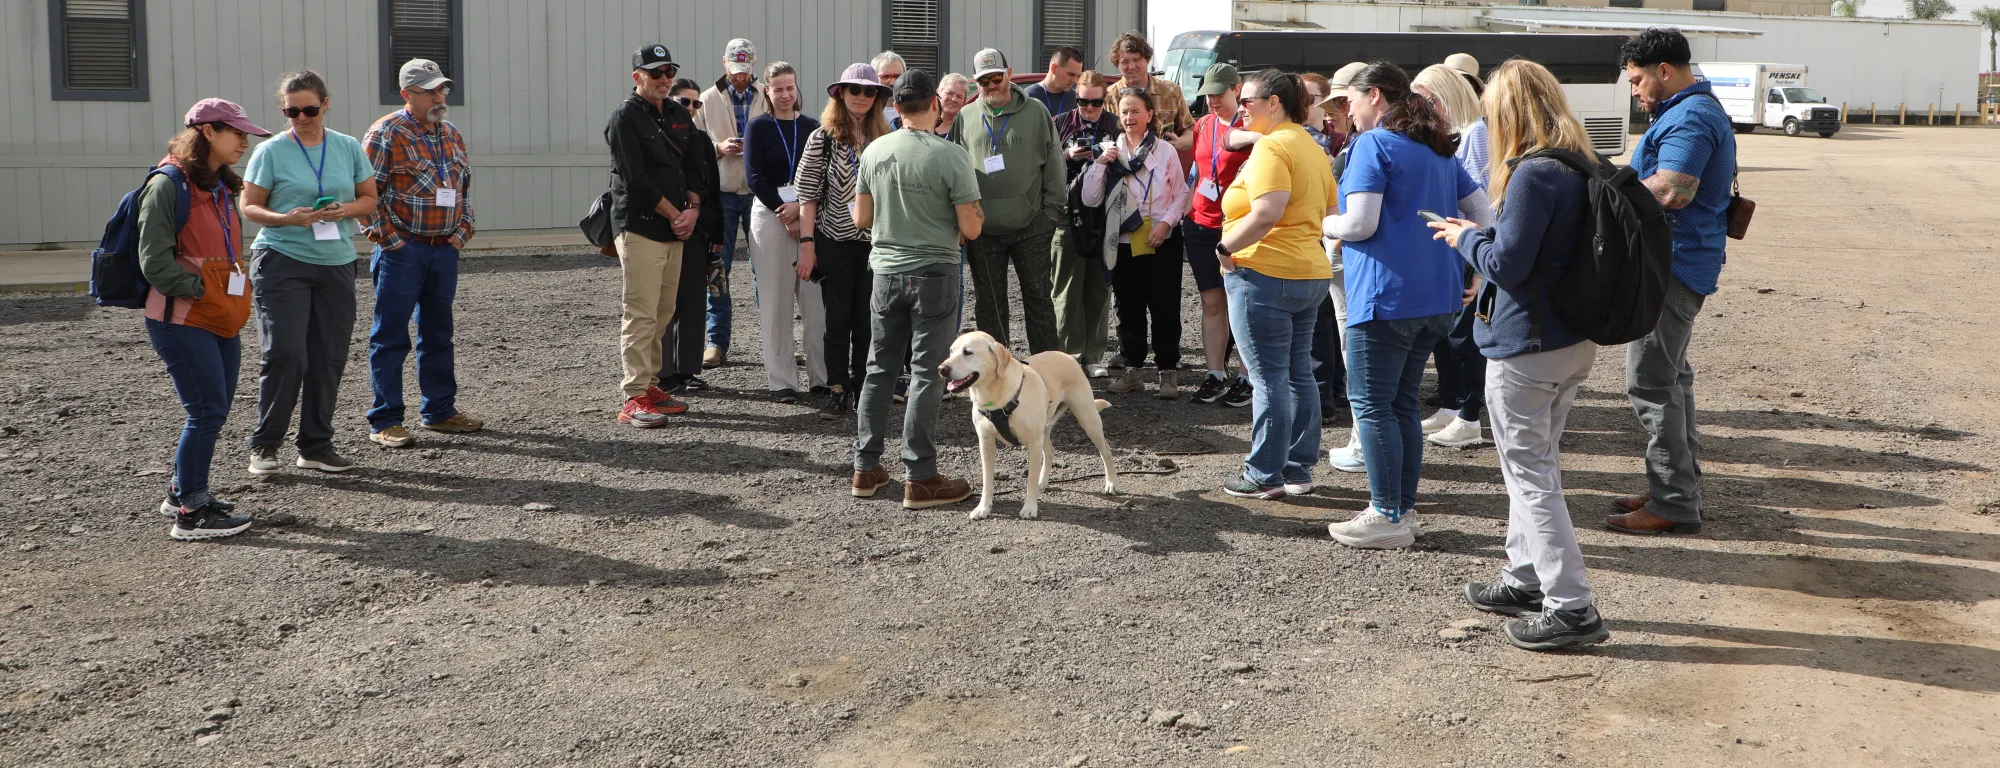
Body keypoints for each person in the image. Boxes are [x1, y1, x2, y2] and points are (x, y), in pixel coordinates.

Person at [1428, 59, 1609, 650]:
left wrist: (1465, 238)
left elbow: (1507, 264)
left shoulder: (1534, 173)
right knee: (1532, 465)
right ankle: (1524, 576)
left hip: (1529, 344)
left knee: (1532, 476)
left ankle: (1571, 605)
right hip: (1570, 339)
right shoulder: (1584, 163)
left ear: (1507, 113)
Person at [1321, 62, 1491, 548]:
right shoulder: (1436, 149)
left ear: (1374, 96)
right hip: (1435, 296)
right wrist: (1476, 265)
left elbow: (1360, 224)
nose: (1347, 111)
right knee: (1401, 405)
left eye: (1350, 100)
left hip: (1385, 296)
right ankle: (1402, 509)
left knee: (1374, 405)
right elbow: (1483, 212)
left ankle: (1387, 513)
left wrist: (1327, 225)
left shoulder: (1373, 144)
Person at [1609, 27, 1737, 536]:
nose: (1635, 90)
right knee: (1674, 380)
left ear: (1665, 71)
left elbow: (1672, 191)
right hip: (1679, 264)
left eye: (1638, 80)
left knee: (1650, 381)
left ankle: (1675, 501)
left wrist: (1606, 192)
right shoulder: (1689, 112)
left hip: (1671, 268)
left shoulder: (1689, 117)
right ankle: (1676, 486)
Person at [848, 68, 985, 510]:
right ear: (933, 105)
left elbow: (861, 219)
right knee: (928, 373)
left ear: (897, 106)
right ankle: (920, 474)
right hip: (934, 272)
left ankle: (865, 467)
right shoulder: (950, 156)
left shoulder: (874, 151)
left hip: (886, 272)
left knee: (878, 369)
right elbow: (971, 227)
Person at [240, 70, 379, 475]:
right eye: (291, 110)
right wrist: (285, 218)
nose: (301, 116)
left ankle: (315, 446)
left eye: (309, 109)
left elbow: (369, 198)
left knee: (328, 356)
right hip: (282, 259)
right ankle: (265, 445)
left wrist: (344, 209)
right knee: (285, 352)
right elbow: (249, 207)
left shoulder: (348, 147)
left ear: (325, 104)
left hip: (336, 262)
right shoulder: (270, 151)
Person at [1206, 71, 1336, 499]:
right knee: (1297, 374)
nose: (1240, 108)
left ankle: (1265, 474)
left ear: (1274, 103)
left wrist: (1226, 248)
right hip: (1308, 272)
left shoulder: (1274, 147)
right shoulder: (1312, 147)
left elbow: (1266, 212)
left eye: (1247, 101)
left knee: (1269, 379)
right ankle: (1296, 469)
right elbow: (1330, 211)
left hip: (1266, 273)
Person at [141, 99, 268, 539]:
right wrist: (202, 290)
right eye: (237, 132)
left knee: (213, 408)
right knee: (206, 410)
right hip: (182, 320)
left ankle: (181, 492)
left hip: (218, 318)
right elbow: (154, 262)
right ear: (208, 132)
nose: (245, 141)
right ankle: (191, 515)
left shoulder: (219, 186)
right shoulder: (168, 185)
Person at [361, 59, 482, 450]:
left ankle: (440, 411)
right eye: (430, 90)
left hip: (443, 250)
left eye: (441, 89)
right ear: (406, 94)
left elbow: (463, 190)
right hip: (403, 251)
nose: (439, 96)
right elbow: (366, 196)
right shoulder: (386, 133)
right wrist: (391, 241)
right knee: (391, 335)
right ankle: (386, 420)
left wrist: (461, 233)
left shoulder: (451, 134)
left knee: (438, 334)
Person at [604, 43, 699, 427]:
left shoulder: (678, 112)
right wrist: (678, 215)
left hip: (675, 225)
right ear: (637, 77)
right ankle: (633, 395)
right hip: (642, 225)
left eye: (668, 71)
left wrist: (693, 208)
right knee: (641, 312)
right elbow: (635, 180)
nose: (664, 79)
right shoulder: (624, 118)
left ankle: (650, 384)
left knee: (663, 311)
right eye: (655, 73)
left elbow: (696, 165)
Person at [795, 63, 893, 420]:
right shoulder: (822, 137)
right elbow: (807, 196)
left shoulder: (887, 137)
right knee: (836, 320)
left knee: (869, 320)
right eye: (856, 91)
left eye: (870, 92)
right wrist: (807, 245)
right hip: (833, 240)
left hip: (874, 243)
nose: (863, 98)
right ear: (841, 94)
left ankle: (865, 387)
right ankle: (837, 389)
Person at [953, 48, 1065, 354]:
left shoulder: (1036, 111)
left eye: (996, 77)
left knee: (1039, 300)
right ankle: (995, 376)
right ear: (976, 83)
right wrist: (963, 222)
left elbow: (1055, 161)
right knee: (989, 304)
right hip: (983, 230)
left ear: (1009, 74)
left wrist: (1051, 214)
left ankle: (1047, 372)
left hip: (1032, 226)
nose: (991, 85)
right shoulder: (965, 117)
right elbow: (956, 172)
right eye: (983, 80)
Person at [1083, 87, 1190, 400]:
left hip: (1161, 238)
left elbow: (1182, 193)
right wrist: (1101, 163)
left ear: (1149, 116)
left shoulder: (1164, 151)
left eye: (1135, 111)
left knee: (1164, 305)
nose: (1129, 117)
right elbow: (1090, 197)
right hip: (1123, 239)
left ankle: (1167, 373)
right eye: (1124, 111)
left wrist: (1166, 223)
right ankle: (1133, 371)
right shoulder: (1110, 150)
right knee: (1127, 307)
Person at [1413, 63, 1492, 451]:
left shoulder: (1473, 132)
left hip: (1468, 244)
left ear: (1440, 98)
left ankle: (1470, 416)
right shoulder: (1444, 136)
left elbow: (1482, 198)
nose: (1414, 105)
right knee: (1447, 334)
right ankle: (1451, 406)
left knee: (1465, 335)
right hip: (1452, 241)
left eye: (1421, 97)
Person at [744, 62, 826, 402]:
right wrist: (785, 211)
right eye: (778, 88)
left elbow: (823, 173)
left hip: (809, 214)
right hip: (771, 217)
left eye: (790, 87)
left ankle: (822, 377)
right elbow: (755, 177)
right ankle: (782, 381)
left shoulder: (813, 126)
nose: (785, 94)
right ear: (767, 91)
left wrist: (801, 210)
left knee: (816, 302)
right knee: (776, 301)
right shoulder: (758, 127)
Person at [1182, 63, 1258, 408]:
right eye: (1208, 95)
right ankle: (1215, 373)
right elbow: (1200, 171)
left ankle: (1247, 376)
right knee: (1212, 303)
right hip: (1201, 224)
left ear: (1236, 90)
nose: (1212, 101)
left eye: (1219, 94)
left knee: (1243, 303)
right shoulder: (1204, 124)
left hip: (1238, 227)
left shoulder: (1251, 129)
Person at [693, 38, 770, 370]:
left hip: (758, 193)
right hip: (723, 194)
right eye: (735, 71)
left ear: (753, 67)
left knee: (766, 269)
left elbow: (782, 137)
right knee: (718, 268)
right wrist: (717, 148)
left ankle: (773, 341)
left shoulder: (767, 95)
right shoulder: (707, 100)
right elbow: (693, 146)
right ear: (725, 65)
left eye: (745, 72)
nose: (740, 77)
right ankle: (716, 342)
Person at [1051, 70, 1120, 377]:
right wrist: (1068, 155)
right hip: (1069, 214)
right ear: (1074, 97)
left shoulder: (1116, 125)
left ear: (1105, 99)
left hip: (1105, 214)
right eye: (1083, 101)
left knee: (1099, 287)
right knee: (1066, 287)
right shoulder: (1060, 123)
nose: (1090, 108)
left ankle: (1093, 356)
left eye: (1096, 102)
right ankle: (1068, 356)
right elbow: (1047, 165)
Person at [662, 79, 726, 396]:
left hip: (698, 231)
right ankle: (663, 373)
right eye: (684, 102)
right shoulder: (656, 135)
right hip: (662, 230)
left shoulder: (701, 140)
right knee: (664, 304)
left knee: (693, 304)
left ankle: (686, 369)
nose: (690, 108)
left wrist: (717, 233)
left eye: (695, 103)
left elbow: (712, 189)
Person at [1108, 32, 1195, 151]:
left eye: (1136, 59)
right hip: (1122, 166)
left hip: (1163, 166)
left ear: (1147, 60)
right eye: (1125, 62)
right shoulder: (1108, 96)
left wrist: (1178, 142)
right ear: (1117, 64)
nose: (1132, 66)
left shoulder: (1171, 92)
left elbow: (1190, 131)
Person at [1026, 46, 1084, 118]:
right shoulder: (1028, 97)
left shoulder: (1077, 99)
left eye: (1077, 76)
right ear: (1054, 68)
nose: (1074, 80)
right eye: (1071, 74)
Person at [934, 73, 973, 141]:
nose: (953, 99)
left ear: (964, 102)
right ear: (938, 93)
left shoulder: (966, 129)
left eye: (959, 96)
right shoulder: (923, 123)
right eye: (949, 93)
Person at [871, 52, 907, 125]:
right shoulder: (865, 109)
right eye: (885, 76)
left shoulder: (913, 109)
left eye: (897, 76)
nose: (892, 82)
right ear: (874, 78)